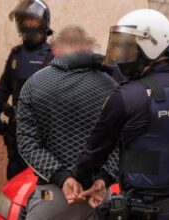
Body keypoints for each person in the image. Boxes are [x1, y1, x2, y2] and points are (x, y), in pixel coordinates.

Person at [67, 9, 169, 220]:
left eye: (129, 48)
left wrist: (79, 177)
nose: (124, 55)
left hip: (146, 212)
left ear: (151, 47)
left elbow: (95, 151)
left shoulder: (128, 96)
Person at [16, 26, 120, 220]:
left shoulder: (33, 84)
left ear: (55, 51)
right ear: (89, 49)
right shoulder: (111, 86)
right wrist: (103, 179)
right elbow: (121, 141)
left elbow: (27, 144)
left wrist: (63, 178)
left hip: (51, 197)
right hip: (97, 196)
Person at [0, 0, 54, 180]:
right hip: (15, 129)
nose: (27, 25)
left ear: (43, 23)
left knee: (36, 182)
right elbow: (4, 86)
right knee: (13, 177)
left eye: (32, 21)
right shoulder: (16, 54)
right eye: (23, 21)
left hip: (40, 131)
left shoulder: (52, 55)